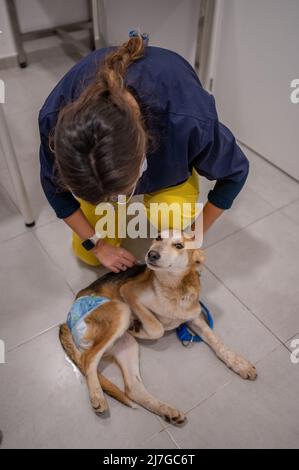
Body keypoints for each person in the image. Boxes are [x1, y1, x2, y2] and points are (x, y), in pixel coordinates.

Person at [38, 30, 249, 273]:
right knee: (89, 257)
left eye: (119, 194)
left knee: (172, 216)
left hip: (170, 150)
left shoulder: (188, 119)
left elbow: (236, 173)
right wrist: (98, 246)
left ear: (146, 148)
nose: (117, 200)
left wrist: (194, 234)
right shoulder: (56, 119)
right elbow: (53, 189)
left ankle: (174, 190)